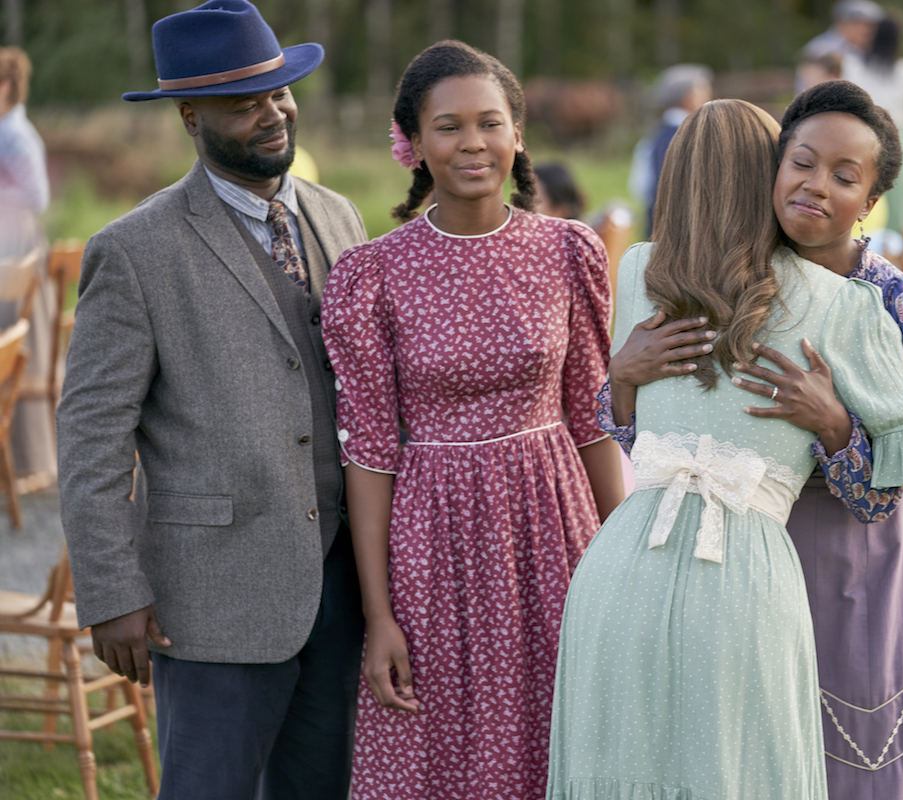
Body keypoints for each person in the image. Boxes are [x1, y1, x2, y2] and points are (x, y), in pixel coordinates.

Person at [547, 97, 903, 800]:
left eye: (842, 175)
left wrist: (835, 423)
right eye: (799, 162)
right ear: (768, 172)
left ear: (871, 199)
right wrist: (621, 375)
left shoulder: (886, 303)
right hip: (697, 565)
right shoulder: (656, 276)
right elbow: (640, 431)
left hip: (834, 552)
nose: (815, 184)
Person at [55, 2, 368, 797]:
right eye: (245, 103)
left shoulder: (338, 217)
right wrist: (112, 592)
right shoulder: (133, 250)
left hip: (344, 587)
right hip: (211, 597)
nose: (273, 114)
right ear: (191, 116)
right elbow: (92, 434)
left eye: (280, 93)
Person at [321, 40, 624, 800]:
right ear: (413, 143)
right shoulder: (373, 274)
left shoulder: (568, 252)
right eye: (448, 126)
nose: (472, 143)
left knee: (565, 738)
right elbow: (370, 454)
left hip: (554, 529)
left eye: (489, 122)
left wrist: (627, 572)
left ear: (518, 132)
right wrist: (379, 614)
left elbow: (592, 420)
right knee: (439, 754)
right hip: (433, 546)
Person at [0, 46, 56, 481]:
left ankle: (26, 462)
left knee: (19, 349)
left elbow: (36, 197)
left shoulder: (14, 134)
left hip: (14, 244)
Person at [844, 15, 903, 282]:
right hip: (902, 142)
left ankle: (868, 270)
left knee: (869, 206)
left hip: (865, 142)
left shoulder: (855, 67)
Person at [627, 63, 713, 237]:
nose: (709, 95)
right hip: (682, 232)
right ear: (687, 96)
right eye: (702, 90)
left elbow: (640, 187)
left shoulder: (656, 134)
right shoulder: (688, 134)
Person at [801, 0, 885, 62]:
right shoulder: (820, 50)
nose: (866, 30)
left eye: (871, 25)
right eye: (858, 23)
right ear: (841, 23)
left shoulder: (870, 49)